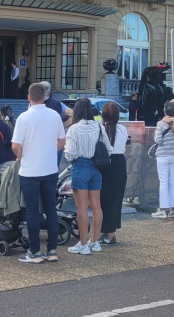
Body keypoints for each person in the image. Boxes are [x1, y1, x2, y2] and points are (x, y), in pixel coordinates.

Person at [12, 82, 65, 264]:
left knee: (33, 211)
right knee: (51, 209)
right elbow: (62, 141)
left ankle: (34, 251)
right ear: (45, 97)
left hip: (30, 170)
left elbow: (15, 145)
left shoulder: (24, 118)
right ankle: (52, 250)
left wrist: (21, 156)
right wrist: (51, 151)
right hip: (50, 169)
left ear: (29, 97)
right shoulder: (55, 116)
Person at [64, 99, 112, 255]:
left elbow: (70, 153)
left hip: (81, 166)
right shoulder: (98, 127)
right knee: (96, 206)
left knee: (82, 208)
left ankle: (83, 245)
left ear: (77, 111)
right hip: (96, 167)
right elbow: (108, 149)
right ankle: (95, 242)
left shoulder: (74, 129)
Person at [152, 100, 174, 218]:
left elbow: (158, 140)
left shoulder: (160, 124)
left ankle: (163, 210)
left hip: (163, 155)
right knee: (173, 182)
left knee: (163, 182)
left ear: (164, 111)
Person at [100, 102, 127, 246]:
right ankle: (110, 232)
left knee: (103, 199)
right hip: (120, 163)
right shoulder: (123, 129)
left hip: (105, 163)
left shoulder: (101, 129)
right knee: (115, 199)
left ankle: (107, 233)